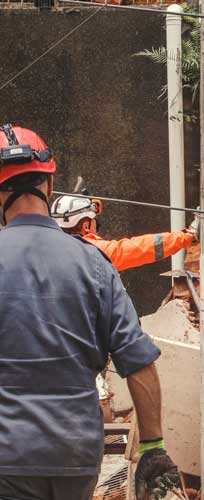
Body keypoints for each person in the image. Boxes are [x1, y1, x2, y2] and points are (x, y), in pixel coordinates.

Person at [0, 124, 179, 500]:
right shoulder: (95, 264)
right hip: (76, 457)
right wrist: (152, 448)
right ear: (49, 185)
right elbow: (138, 361)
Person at [51, 194, 197, 272]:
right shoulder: (93, 252)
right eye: (94, 219)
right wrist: (187, 236)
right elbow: (142, 248)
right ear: (86, 226)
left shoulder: (45, 249)